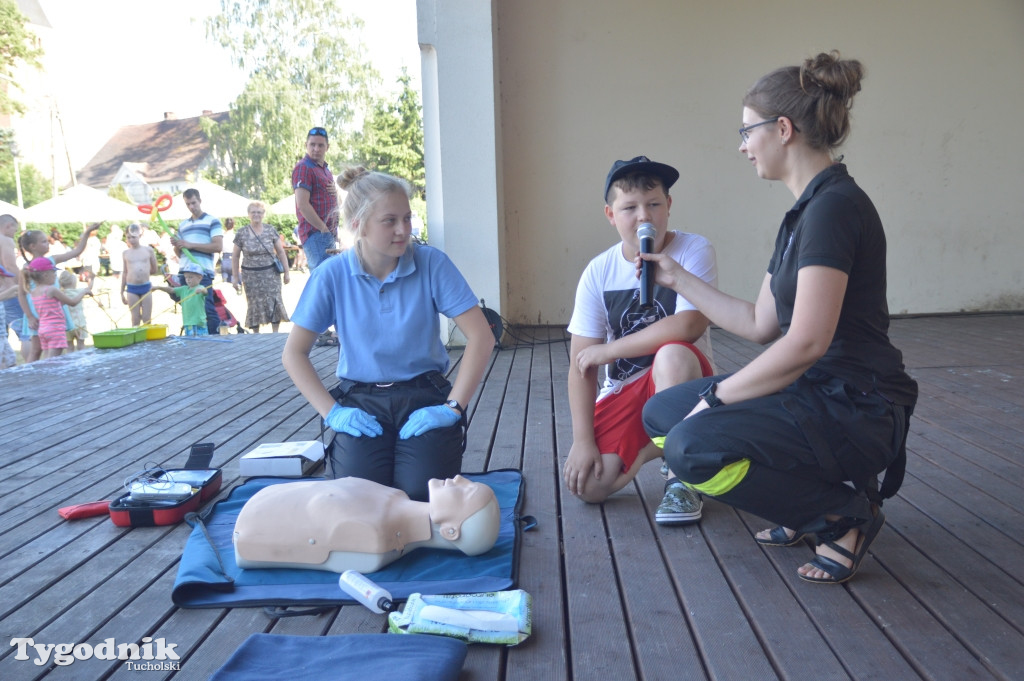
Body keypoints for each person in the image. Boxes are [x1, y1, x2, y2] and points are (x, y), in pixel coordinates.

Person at [640, 51, 918, 584]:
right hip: (815, 390)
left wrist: (715, 397)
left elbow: (808, 342)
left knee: (689, 445)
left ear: (783, 128)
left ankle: (839, 517)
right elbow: (761, 323)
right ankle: (802, 504)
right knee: (661, 415)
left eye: (747, 131)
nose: (743, 146)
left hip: (857, 406)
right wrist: (677, 277)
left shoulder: (835, 208)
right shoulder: (802, 212)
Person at [282, 167, 494, 502]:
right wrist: (333, 412)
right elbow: (293, 354)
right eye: (390, 220)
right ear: (358, 225)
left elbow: (482, 337)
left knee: (421, 496)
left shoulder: (431, 263)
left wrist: (452, 407)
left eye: (408, 218)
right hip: (361, 402)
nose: (403, 230)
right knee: (361, 499)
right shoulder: (331, 275)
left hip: (424, 395)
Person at [563, 156, 718, 525]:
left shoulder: (693, 249)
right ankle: (664, 447)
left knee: (672, 356)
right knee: (590, 485)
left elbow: (687, 327)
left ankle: (682, 480)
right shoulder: (598, 271)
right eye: (629, 207)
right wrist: (582, 440)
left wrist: (610, 349)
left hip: (684, 382)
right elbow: (581, 364)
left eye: (653, 204)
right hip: (625, 390)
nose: (643, 217)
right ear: (610, 215)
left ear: (669, 206)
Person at [233, 475, 500, 573]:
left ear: (450, 531)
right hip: (265, 504)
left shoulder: (373, 535)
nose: (460, 478)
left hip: (253, 521)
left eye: (466, 491)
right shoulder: (395, 498)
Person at [16, 223, 101, 363]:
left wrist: (87, 232)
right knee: (36, 350)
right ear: (33, 246)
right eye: (44, 241)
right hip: (36, 315)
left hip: (53, 313)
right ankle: (31, 377)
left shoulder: (52, 260)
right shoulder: (26, 268)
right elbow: (21, 294)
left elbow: (77, 251)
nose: (48, 243)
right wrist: (30, 316)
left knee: (55, 348)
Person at [170, 188, 223, 335]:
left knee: (207, 309)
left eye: (194, 203)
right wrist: (177, 245)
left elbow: (218, 246)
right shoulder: (183, 225)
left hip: (202, 272)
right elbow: (180, 254)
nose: (191, 207)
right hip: (185, 271)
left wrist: (190, 244)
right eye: (188, 204)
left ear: (200, 200)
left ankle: (214, 342)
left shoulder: (212, 221)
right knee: (190, 309)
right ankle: (196, 341)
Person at [231, 201, 290, 333]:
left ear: (263, 214)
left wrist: (286, 272)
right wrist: (235, 277)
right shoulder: (241, 232)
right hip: (251, 275)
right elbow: (235, 256)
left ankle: (275, 332)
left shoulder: (270, 230)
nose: (256, 215)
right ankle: (255, 333)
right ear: (248, 214)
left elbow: (280, 252)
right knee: (253, 302)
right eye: (253, 212)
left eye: (259, 212)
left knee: (275, 299)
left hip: (271, 273)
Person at [22, 258, 93, 359]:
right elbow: (72, 302)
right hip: (55, 329)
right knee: (53, 360)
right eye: (54, 273)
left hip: (43, 329)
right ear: (45, 275)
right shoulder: (51, 290)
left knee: (47, 357)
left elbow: (54, 305)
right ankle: (48, 374)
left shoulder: (34, 292)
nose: (56, 277)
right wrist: (84, 291)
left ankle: (44, 374)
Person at [292, 126, 339, 271]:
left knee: (329, 282)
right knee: (323, 282)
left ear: (327, 147)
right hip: (316, 234)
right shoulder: (304, 167)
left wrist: (336, 193)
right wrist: (323, 229)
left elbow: (338, 202)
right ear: (306, 145)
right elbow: (303, 205)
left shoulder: (325, 170)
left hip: (327, 233)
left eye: (320, 145)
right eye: (312, 144)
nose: (316, 149)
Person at [152, 261, 209, 336]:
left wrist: (201, 290)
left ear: (199, 278)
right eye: (186, 277)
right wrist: (158, 287)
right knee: (191, 343)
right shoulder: (183, 289)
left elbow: (205, 292)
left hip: (199, 322)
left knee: (201, 342)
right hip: (187, 323)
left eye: (191, 277)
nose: (188, 279)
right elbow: (171, 290)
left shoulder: (200, 287)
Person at [120, 223, 159, 327]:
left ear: (139, 236)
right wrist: (121, 291)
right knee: (135, 319)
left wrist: (143, 272)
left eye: (133, 237)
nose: (131, 240)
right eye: (128, 237)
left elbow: (155, 268)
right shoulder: (126, 253)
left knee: (147, 319)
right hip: (132, 288)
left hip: (145, 286)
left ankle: (148, 341)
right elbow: (125, 272)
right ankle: (137, 341)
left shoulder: (148, 250)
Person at [0, 214, 20, 368]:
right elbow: (10, 266)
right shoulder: (5, 239)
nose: (15, 233)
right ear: (8, 226)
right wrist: (22, 285)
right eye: (15, 229)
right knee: (24, 331)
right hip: (8, 291)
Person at [59, 270, 89, 352]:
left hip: (67, 326)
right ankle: (83, 362)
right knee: (81, 346)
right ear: (74, 282)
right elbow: (88, 289)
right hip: (80, 324)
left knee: (69, 347)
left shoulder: (61, 294)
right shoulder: (79, 291)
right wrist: (92, 279)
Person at [220, 217, 236, 283]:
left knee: (224, 284)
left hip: (224, 259)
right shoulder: (235, 236)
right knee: (234, 284)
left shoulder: (222, 236)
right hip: (234, 259)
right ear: (234, 225)